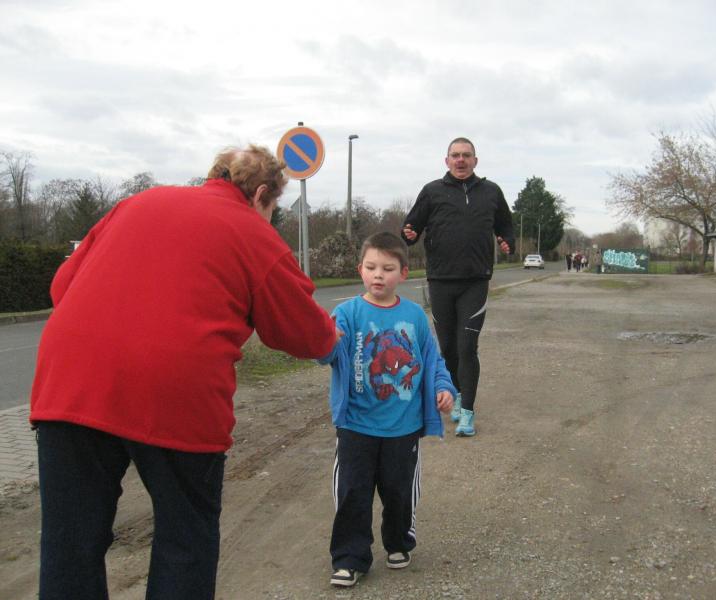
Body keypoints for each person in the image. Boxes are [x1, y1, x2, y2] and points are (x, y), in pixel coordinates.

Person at [29, 144, 340, 600]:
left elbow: (62, 287)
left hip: (69, 384)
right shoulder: (251, 231)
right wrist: (333, 344)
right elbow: (302, 330)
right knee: (184, 537)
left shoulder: (137, 203)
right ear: (261, 195)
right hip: (173, 393)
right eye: (273, 208)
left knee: (70, 543)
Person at [319, 232, 455, 588]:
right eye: (371, 267)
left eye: (388, 268)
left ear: (404, 273)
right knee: (353, 493)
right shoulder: (346, 313)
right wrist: (324, 340)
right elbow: (327, 353)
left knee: (398, 491)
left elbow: (433, 361)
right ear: (360, 270)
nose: (378, 274)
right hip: (356, 425)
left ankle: (398, 542)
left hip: (402, 427)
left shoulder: (414, 316)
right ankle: (350, 558)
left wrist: (443, 388)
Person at [402, 137, 514, 437]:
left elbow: (506, 225)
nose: (460, 160)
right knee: (448, 348)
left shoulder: (491, 192)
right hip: (440, 281)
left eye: (466, 155)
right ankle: (457, 393)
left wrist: (507, 241)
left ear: (475, 160)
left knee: (467, 347)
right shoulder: (432, 191)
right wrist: (408, 234)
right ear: (447, 160)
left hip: (475, 280)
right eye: (455, 155)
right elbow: (411, 226)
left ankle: (467, 412)